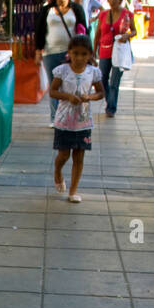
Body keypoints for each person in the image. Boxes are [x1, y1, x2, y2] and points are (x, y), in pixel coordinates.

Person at [49, 35, 104, 204]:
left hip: (83, 121)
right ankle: (58, 170)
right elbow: (52, 91)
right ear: (69, 53)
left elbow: (101, 92)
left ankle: (73, 190)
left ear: (89, 55)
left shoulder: (93, 72)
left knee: (79, 156)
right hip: (64, 120)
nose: (79, 58)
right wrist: (67, 96)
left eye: (83, 54)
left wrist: (90, 97)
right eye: (75, 53)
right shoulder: (62, 71)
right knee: (64, 154)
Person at [34, 0, 87, 128]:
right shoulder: (47, 10)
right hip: (50, 53)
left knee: (71, 85)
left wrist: (83, 53)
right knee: (54, 86)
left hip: (71, 55)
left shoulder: (76, 9)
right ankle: (55, 118)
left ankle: (71, 116)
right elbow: (39, 31)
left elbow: (84, 30)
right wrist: (38, 51)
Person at [95, 0, 135, 119]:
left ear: (121, 0)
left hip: (119, 51)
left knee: (114, 81)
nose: (113, 1)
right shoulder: (103, 14)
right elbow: (98, 33)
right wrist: (93, 50)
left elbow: (134, 31)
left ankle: (111, 108)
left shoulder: (127, 14)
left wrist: (127, 35)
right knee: (102, 78)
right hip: (104, 50)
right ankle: (110, 100)